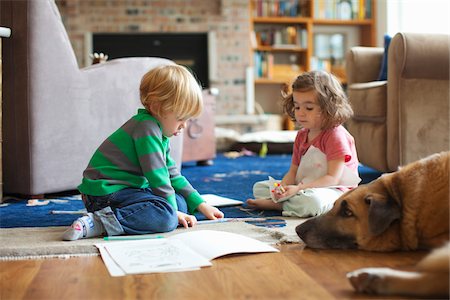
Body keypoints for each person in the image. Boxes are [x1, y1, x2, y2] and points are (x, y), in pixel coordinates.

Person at [63, 64, 224, 241]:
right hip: (104, 194)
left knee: (180, 203)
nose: (184, 126)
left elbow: (172, 175)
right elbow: (159, 179)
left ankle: (124, 217)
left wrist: (201, 204)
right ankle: (99, 222)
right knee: (167, 217)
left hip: (126, 190)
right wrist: (172, 213)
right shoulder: (146, 128)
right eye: (180, 118)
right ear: (157, 107)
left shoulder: (159, 132)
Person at [246, 70, 361, 217]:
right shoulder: (301, 136)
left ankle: (280, 206)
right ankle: (286, 201)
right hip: (305, 186)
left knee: (311, 202)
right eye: (297, 106)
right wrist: (283, 187)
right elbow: (293, 172)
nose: (300, 113)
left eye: (309, 108)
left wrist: (297, 189)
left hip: (334, 190)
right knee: (260, 188)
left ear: (328, 107)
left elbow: (333, 178)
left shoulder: (335, 136)